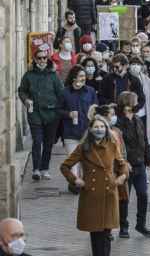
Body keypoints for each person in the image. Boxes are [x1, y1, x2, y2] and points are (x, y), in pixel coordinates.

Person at [59, 115, 128, 256]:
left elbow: (123, 166)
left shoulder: (112, 146)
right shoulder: (82, 147)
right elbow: (65, 166)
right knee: (95, 233)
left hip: (109, 194)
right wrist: (76, 180)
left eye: (102, 127)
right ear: (90, 129)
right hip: (91, 195)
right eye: (96, 127)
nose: (99, 129)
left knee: (106, 233)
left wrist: (122, 176)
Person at [18, 50, 63, 181]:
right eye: (39, 58)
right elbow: (22, 90)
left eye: (44, 58)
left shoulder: (53, 74)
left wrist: (59, 108)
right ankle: (36, 169)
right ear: (35, 59)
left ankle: (45, 169)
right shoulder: (29, 75)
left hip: (51, 113)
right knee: (37, 141)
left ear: (47, 59)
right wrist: (25, 99)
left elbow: (60, 92)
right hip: (35, 113)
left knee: (48, 143)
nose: (42, 60)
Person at [114, 91, 150, 239]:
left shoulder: (137, 119)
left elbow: (145, 141)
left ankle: (141, 224)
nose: (137, 105)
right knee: (124, 198)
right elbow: (117, 146)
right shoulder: (118, 122)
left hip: (140, 165)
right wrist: (123, 164)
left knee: (143, 195)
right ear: (127, 105)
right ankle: (123, 226)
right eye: (135, 103)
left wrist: (148, 160)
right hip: (126, 166)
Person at [55, 65, 99, 193]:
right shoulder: (64, 93)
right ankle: (74, 183)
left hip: (87, 132)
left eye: (84, 76)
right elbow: (57, 109)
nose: (83, 78)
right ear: (74, 78)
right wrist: (68, 114)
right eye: (81, 76)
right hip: (71, 132)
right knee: (73, 158)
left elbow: (96, 109)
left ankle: (85, 181)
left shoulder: (90, 91)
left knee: (87, 158)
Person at [128, 57, 150, 140]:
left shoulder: (147, 80)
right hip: (129, 115)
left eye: (138, 64)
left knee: (145, 141)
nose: (136, 66)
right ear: (129, 65)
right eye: (133, 64)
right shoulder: (125, 79)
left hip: (144, 115)